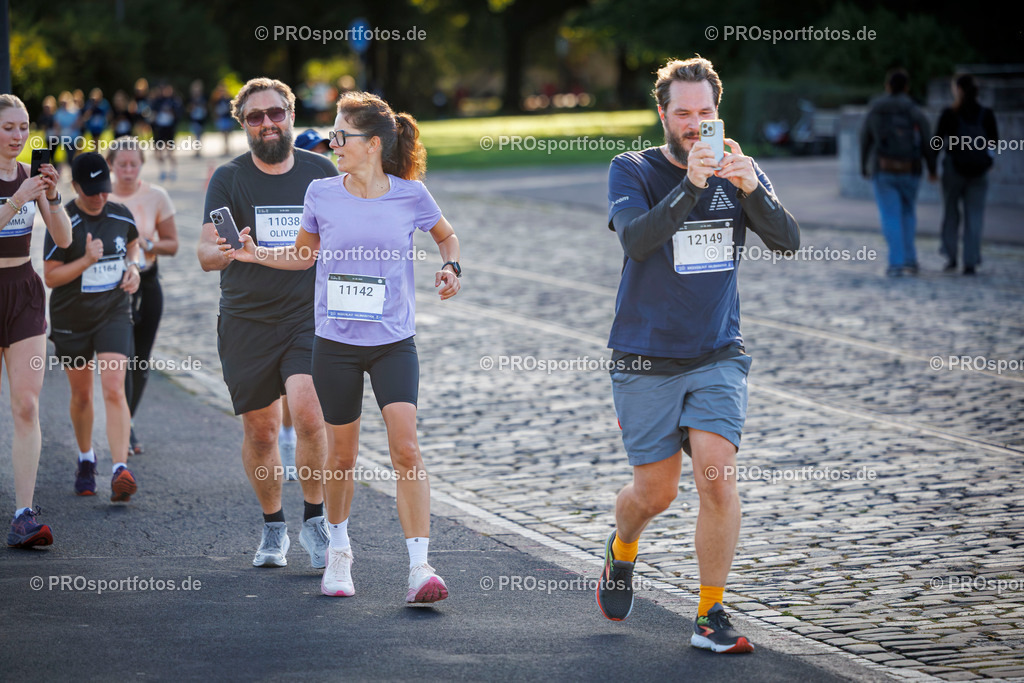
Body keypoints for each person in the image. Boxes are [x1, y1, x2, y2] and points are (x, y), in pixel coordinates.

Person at [599, 57, 799, 653]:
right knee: (655, 494)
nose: (694, 125)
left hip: (717, 352)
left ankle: (711, 614)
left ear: (718, 114)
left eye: (704, 113)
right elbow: (637, 242)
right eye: (682, 113)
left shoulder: (741, 170)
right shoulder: (631, 169)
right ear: (663, 114)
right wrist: (691, 184)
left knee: (716, 478)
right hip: (645, 356)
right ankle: (622, 547)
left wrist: (750, 189)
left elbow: (788, 241)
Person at [230, 90, 461, 603]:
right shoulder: (321, 193)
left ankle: (420, 568)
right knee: (342, 457)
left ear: (372, 144)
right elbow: (301, 257)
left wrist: (451, 267)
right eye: (333, 135)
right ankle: (339, 552)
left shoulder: (411, 194)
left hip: (393, 342)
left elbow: (448, 237)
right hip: (334, 344)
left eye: (341, 135)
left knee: (406, 448)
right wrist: (254, 254)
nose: (333, 142)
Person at [198, 77, 336, 570]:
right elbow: (204, 251)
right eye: (255, 117)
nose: (267, 123)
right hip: (245, 319)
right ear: (243, 124)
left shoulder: (322, 173)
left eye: (275, 113)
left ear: (291, 115)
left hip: (307, 316)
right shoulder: (229, 179)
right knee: (260, 431)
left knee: (309, 412)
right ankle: (273, 525)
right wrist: (223, 252)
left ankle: (316, 519)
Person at [43, 152, 141, 503]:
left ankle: (119, 468)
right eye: (91, 191)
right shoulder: (63, 219)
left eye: (104, 189)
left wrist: (134, 268)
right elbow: (51, 276)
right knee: (83, 395)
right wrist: (86, 260)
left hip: (114, 312)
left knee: (114, 387)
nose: (100, 197)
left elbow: (133, 245)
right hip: (72, 320)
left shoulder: (119, 213)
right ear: (75, 187)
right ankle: (86, 458)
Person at [1, 94, 73, 547]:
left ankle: (24, 514)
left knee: (27, 405)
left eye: (24, 127)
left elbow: (64, 238)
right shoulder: (17, 185)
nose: (18, 136)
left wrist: (51, 195)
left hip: (25, 294)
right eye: (9, 127)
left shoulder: (30, 176)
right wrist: (15, 201)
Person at [108, 140, 179, 455]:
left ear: (141, 164)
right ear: (111, 165)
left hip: (148, 284)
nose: (127, 171)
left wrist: (149, 244)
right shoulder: (101, 195)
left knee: (139, 360)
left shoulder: (156, 196)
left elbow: (173, 244)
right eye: (121, 164)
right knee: (120, 359)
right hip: (112, 288)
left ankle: (128, 422)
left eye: (133, 164)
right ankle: (119, 424)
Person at [860, 68, 937, 277]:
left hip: (883, 169)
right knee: (908, 213)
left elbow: (865, 138)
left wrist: (863, 166)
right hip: (911, 169)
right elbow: (928, 142)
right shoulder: (914, 110)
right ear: (906, 87)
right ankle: (910, 260)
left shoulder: (877, 109)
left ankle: (896, 263)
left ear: (887, 87)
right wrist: (932, 169)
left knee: (890, 215)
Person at [935, 74, 998, 276]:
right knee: (975, 216)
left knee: (951, 213)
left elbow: (937, 141)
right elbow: (994, 142)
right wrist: (988, 161)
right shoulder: (986, 114)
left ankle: (951, 256)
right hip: (979, 171)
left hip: (954, 168)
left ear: (958, 90)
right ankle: (970, 261)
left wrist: (931, 166)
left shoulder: (949, 113)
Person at [150, 84, 182, 181]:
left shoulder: (175, 101)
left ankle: (173, 170)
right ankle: (162, 171)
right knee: (158, 152)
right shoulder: (157, 101)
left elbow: (179, 114)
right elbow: (152, 114)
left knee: (170, 152)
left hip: (170, 129)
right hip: (160, 129)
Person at [187, 80, 208, 158]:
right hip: (194, 118)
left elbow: (206, 108)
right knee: (196, 134)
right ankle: (196, 151)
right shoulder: (191, 99)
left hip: (202, 118)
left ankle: (199, 150)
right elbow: (188, 109)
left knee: (200, 135)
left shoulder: (203, 98)